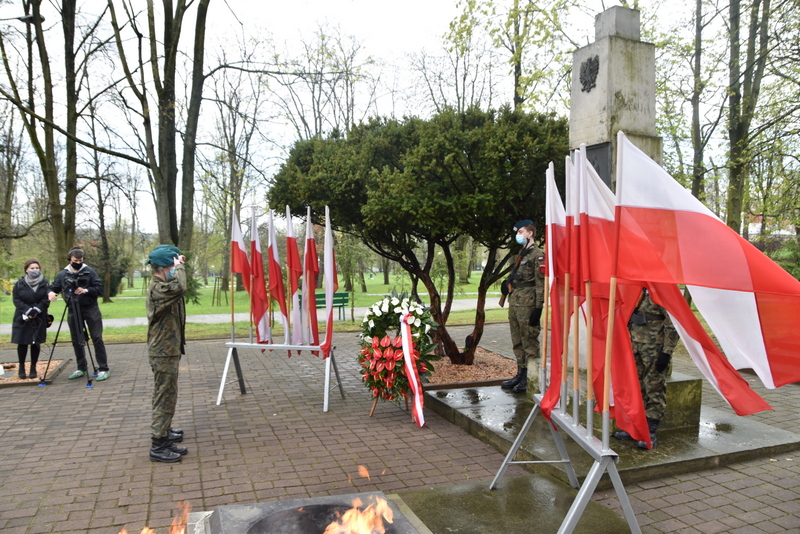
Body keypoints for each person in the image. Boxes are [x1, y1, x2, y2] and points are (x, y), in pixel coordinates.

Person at [613, 288, 679, 449]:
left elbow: (673, 323)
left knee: (654, 386)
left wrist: (667, 352)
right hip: (635, 344)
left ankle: (650, 430)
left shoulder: (662, 290)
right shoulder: (637, 289)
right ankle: (636, 427)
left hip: (654, 347)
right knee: (637, 386)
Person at [146, 245, 188, 463]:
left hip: (168, 350)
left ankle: (165, 432)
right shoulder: (158, 289)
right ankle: (158, 444)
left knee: (168, 393)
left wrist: (177, 264)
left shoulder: (164, 284)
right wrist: (179, 268)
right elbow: (181, 286)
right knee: (164, 395)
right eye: (172, 265)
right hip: (162, 352)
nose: (175, 268)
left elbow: (176, 285)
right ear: (163, 267)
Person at [48, 248, 110, 381]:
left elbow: (99, 288)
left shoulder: (90, 271)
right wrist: (51, 293)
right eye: (75, 261)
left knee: (97, 337)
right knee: (77, 339)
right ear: (70, 259)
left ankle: (103, 368)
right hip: (73, 309)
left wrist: (86, 290)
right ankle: (81, 367)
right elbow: (54, 287)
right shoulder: (63, 274)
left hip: (91, 308)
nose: (78, 263)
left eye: (80, 261)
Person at [500, 220, 545, 393]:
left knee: (529, 340)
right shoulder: (522, 253)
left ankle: (530, 377)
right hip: (515, 301)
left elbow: (541, 283)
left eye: (521, 232)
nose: (518, 235)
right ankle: (521, 372)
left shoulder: (538, 254)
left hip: (528, 304)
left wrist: (538, 307)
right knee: (517, 340)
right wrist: (507, 285)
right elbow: (517, 277)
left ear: (530, 233)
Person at [11, 259, 50, 379]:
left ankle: (33, 367)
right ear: (27, 270)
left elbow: (46, 298)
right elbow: (16, 299)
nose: (35, 270)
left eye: (37, 268)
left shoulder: (45, 283)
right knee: (22, 342)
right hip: (23, 317)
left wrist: (37, 310)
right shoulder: (19, 284)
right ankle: (22, 367)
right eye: (32, 268)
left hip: (39, 316)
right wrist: (27, 310)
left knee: (36, 342)